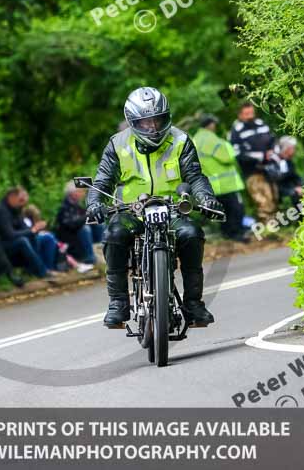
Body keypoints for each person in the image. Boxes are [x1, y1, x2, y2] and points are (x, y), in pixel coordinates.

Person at [86, 87, 223, 328]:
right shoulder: (118, 144)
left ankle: (193, 303)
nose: (153, 127)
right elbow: (102, 181)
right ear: (132, 121)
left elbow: (195, 176)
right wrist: (95, 203)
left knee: (191, 235)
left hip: (171, 208)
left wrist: (205, 198)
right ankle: (118, 302)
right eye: (146, 122)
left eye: (157, 120)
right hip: (131, 211)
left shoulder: (180, 140)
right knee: (114, 235)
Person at [193, 115, 248, 242]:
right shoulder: (211, 139)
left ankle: (227, 235)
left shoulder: (196, 139)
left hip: (213, 185)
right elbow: (228, 157)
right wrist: (227, 144)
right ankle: (236, 235)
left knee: (223, 213)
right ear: (211, 125)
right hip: (226, 184)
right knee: (236, 210)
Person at [0, 187, 58, 279]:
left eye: (25, 201)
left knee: (45, 238)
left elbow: (24, 228)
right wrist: (32, 230)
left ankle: (47, 268)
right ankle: (42, 272)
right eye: (21, 200)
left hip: (11, 241)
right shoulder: (1, 211)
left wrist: (35, 229)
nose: (23, 203)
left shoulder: (16, 209)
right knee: (23, 241)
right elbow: (9, 234)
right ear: (12, 197)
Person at [229, 102, 278, 222]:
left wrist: (272, 151)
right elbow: (238, 153)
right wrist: (261, 156)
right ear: (240, 115)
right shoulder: (236, 130)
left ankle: (275, 224)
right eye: (247, 114)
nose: (250, 116)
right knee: (262, 201)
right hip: (252, 171)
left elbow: (272, 139)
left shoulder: (261, 123)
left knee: (274, 197)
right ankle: (267, 227)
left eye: (251, 112)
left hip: (269, 168)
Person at [55, 180, 101, 266]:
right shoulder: (64, 208)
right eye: (80, 191)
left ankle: (102, 250)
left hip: (79, 236)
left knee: (99, 224)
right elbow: (72, 225)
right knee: (85, 229)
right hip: (70, 240)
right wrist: (87, 216)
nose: (83, 193)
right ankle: (90, 257)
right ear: (73, 193)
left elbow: (84, 219)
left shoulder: (77, 206)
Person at [273, 136, 304, 209]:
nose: (295, 150)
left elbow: (294, 176)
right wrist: (293, 190)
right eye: (293, 148)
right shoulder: (274, 161)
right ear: (287, 148)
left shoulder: (288, 161)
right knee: (297, 196)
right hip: (280, 191)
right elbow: (276, 184)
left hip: (290, 188)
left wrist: (300, 185)